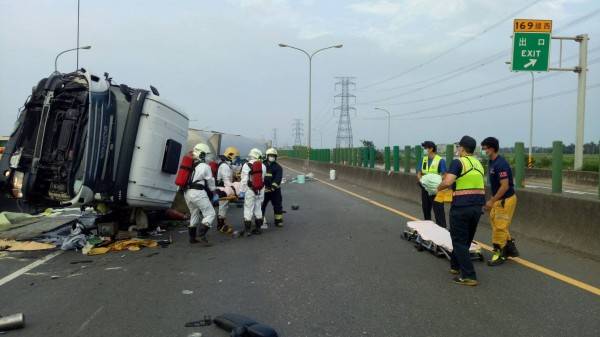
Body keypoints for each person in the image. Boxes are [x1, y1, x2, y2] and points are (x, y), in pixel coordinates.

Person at [437, 135, 485, 286]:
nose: (457, 149)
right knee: (466, 240)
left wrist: (438, 187)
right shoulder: (478, 163)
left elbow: (448, 181)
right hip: (477, 207)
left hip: (461, 207)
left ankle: (469, 276)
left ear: (462, 149)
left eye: (458, 147)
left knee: (458, 241)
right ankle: (455, 265)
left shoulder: (458, 162)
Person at [481, 137, 520, 266]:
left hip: (505, 199)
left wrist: (492, 201)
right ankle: (509, 246)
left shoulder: (500, 164)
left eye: (485, 148)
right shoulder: (492, 162)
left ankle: (500, 253)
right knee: (495, 221)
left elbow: (505, 186)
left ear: (492, 148)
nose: (483, 151)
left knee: (500, 226)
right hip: (500, 199)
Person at [184, 143, 220, 245]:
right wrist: (215, 191)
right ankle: (201, 234)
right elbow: (211, 181)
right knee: (210, 213)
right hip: (198, 192)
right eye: (207, 154)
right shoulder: (204, 166)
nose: (208, 157)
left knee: (194, 213)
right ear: (202, 154)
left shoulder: (190, 164)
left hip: (187, 192)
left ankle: (192, 238)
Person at [416, 141, 447, 228]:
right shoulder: (423, 159)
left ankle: (442, 229)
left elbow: (444, 176)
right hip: (425, 188)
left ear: (431, 149)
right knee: (426, 209)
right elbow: (419, 173)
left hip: (436, 190)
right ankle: (428, 230)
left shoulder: (440, 160)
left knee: (438, 211)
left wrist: (437, 187)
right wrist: (421, 181)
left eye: (425, 148)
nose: (424, 150)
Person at [239, 148, 266, 237]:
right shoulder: (263, 166)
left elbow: (244, 180)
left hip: (250, 190)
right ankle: (258, 229)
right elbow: (263, 179)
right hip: (260, 190)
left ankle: (247, 230)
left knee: (248, 209)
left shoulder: (246, 165)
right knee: (258, 208)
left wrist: (241, 192)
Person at [215, 146, 240, 235]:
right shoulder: (225, 166)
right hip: (223, 189)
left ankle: (222, 224)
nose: (235, 159)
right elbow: (227, 182)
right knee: (223, 207)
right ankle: (221, 226)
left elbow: (234, 169)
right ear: (230, 155)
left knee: (224, 207)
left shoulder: (226, 165)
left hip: (224, 188)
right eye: (235, 157)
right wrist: (235, 192)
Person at [261, 148, 284, 228]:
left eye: (273, 156)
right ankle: (260, 220)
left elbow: (278, 178)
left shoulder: (278, 167)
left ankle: (278, 221)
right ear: (267, 156)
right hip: (264, 190)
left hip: (275, 191)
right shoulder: (262, 165)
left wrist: (273, 187)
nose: (272, 157)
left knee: (277, 205)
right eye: (270, 155)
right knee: (261, 206)